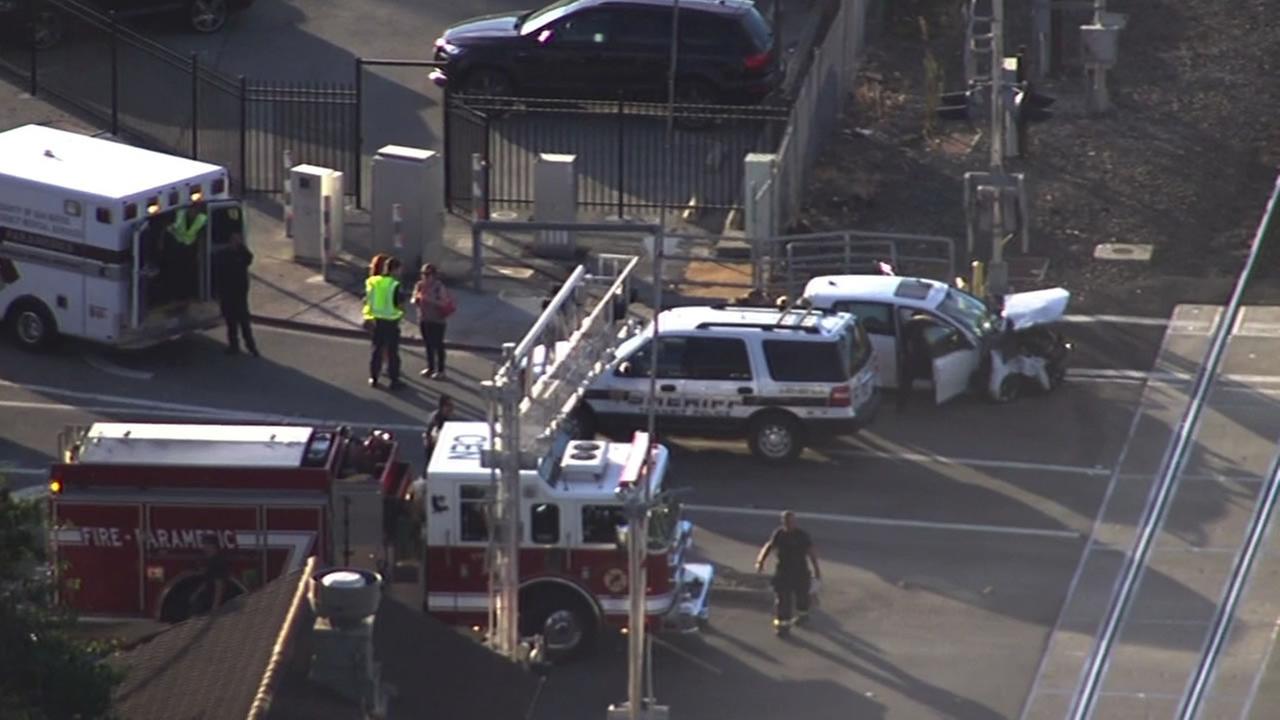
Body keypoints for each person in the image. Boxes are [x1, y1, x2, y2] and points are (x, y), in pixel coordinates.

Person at [755, 510, 821, 636]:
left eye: (791, 521)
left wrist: (817, 569)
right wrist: (760, 561)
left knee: (802, 597)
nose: (789, 524)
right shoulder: (779, 534)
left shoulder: (802, 535)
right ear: (783, 522)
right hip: (783, 572)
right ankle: (782, 625)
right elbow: (769, 546)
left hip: (800, 571)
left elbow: (811, 552)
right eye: (786, 521)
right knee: (782, 599)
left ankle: (803, 615)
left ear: (794, 522)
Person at [212, 232, 259, 356]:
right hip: (227, 293)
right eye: (234, 240)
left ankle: (251, 346)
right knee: (231, 322)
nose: (236, 242)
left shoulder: (242, 254)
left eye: (238, 240)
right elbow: (218, 274)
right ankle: (234, 346)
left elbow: (250, 258)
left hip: (239, 293)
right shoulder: (223, 255)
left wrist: (242, 247)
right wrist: (218, 291)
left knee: (244, 322)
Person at [364, 256, 405, 389]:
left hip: (378, 321)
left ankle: (374, 377)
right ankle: (394, 380)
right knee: (392, 353)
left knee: (377, 350)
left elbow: (369, 299)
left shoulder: (375, 282)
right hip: (391, 322)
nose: (400, 272)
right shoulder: (394, 284)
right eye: (399, 269)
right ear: (395, 269)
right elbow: (399, 303)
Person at [412, 263, 454, 379]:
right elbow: (414, 297)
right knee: (428, 344)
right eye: (423, 274)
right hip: (424, 318)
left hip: (437, 320)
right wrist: (416, 300)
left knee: (438, 344)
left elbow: (444, 302)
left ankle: (441, 370)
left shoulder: (439, 287)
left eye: (427, 274)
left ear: (434, 275)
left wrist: (429, 299)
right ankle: (430, 368)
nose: (424, 277)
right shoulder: (419, 285)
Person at [897, 313, 932, 410]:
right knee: (907, 381)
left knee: (906, 382)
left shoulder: (910, 325)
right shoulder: (919, 329)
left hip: (911, 358)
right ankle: (902, 405)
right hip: (914, 359)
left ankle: (901, 405)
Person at [190, 534, 230, 615]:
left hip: (212, 599)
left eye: (206, 545)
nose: (204, 548)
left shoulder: (218, 562)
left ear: (213, 547)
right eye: (204, 545)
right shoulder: (210, 561)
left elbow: (219, 585)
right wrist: (196, 593)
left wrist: (215, 606)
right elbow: (207, 580)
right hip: (208, 597)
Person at [423, 394, 456, 465]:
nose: (452, 408)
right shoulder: (436, 420)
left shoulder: (446, 418)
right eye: (449, 405)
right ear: (443, 407)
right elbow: (432, 436)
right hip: (435, 452)